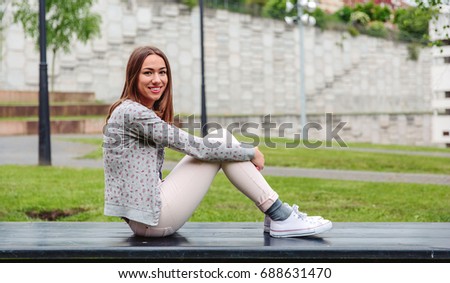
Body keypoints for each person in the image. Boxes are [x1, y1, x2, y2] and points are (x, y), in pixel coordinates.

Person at [103, 46, 332, 238]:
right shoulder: (133, 113)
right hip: (153, 220)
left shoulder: (129, 110)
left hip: (145, 217)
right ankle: (280, 215)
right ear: (134, 76)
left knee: (221, 143)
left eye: (162, 72)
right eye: (148, 73)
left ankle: (277, 215)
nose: (157, 79)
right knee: (220, 142)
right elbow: (197, 148)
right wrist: (249, 152)